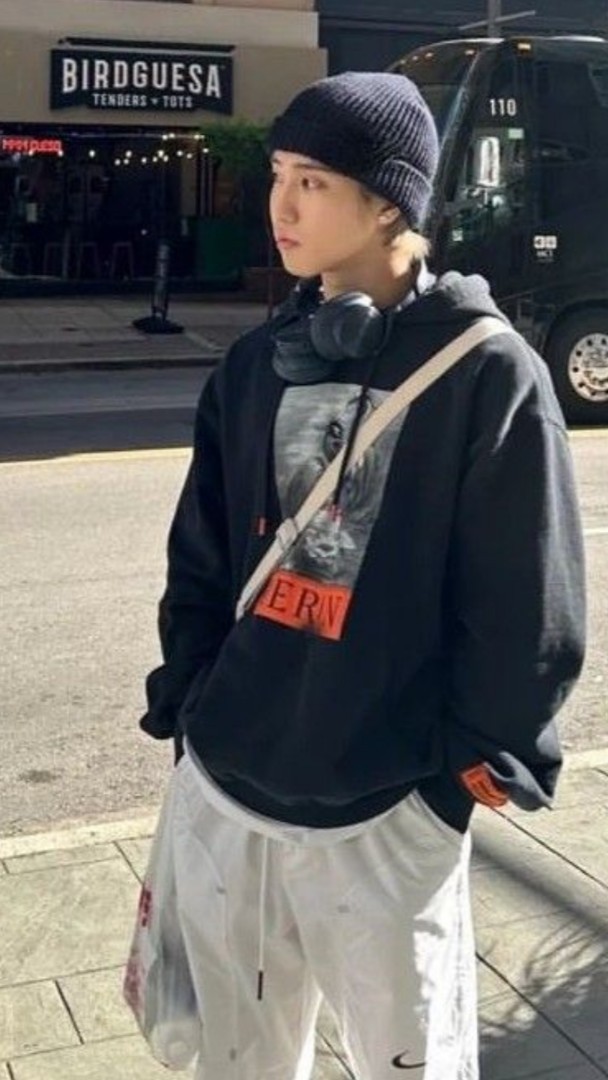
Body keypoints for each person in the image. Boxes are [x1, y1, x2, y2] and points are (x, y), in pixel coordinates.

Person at [139, 72, 586, 1080]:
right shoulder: (256, 363)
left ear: (388, 203)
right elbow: (198, 560)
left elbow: (528, 607)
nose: (281, 205)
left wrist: (458, 780)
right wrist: (191, 711)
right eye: (278, 176)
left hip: (386, 815)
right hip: (230, 790)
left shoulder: (486, 373)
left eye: (312, 181)